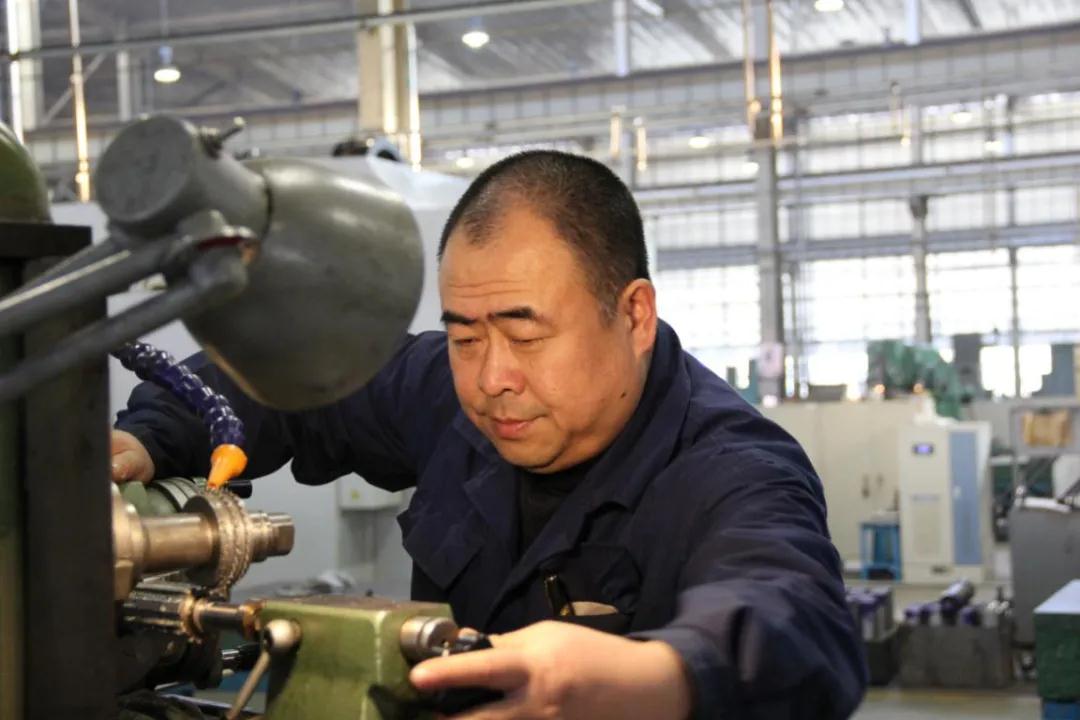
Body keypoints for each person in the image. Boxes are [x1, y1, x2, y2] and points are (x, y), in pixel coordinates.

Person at [113, 150, 867, 719]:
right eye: (465, 336)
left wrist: (654, 677)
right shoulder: (445, 392)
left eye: (525, 334)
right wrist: (148, 439)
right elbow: (296, 384)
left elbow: (795, 623)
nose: (491, 377)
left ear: (634, 315)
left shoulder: (731, 468)